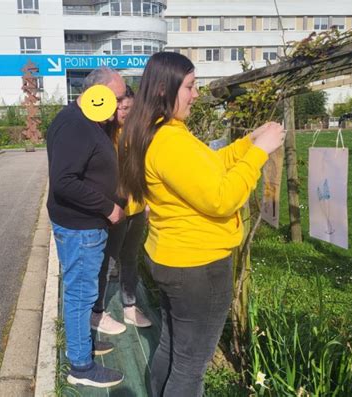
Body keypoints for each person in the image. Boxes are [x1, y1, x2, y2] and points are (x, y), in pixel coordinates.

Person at [118, 52, 285, 396]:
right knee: (190, 366)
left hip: (172, 258)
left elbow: (207, 165)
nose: (196, 94)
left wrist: (247, 143)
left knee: (171, 346)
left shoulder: (159, 132)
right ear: (165, 89)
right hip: (198, 266)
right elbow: (222, 198)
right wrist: (259, 153)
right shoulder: (170, 141)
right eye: (190, 86)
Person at [46, 67, 126, 388]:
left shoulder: (84, 120)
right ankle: (80, 366)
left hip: (82, 225)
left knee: (81, 290)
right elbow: (64, 181)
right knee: (80, 294)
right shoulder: (76, 126)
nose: (121, 106)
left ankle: (82, 345)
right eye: (117, 99)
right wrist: (108, 206)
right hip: (81, 228)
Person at [91, 85, 152, 335]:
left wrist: (148, 202)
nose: (124, 112)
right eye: (120, 107)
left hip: (137, 207)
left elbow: (147, 169)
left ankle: (130, 306)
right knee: (109, 259)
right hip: (116, 208)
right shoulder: (104, 134)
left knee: (130, 257)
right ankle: (97, 311)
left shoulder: (139, 133)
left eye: (129, 107)